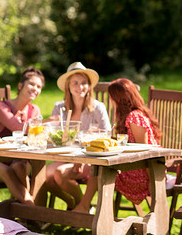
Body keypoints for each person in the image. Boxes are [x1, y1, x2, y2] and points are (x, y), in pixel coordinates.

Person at [73, 78, 161, 213]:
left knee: (99, 170)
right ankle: (89, 208)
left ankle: (90, 209)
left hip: (146, 173)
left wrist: (151, 181)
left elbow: (145, 152)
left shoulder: (134, 117)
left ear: (119, 99)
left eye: (111, 98)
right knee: (98, 167)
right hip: (137, 169)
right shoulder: (131, 116)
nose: (111, 101)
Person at [35, 62, 111, 209]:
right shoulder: (60, 108)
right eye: (75, 83)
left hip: (91, 159)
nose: (79, 87)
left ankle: (82, 206)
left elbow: (107, 136)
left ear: (89, 86)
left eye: (83, 83)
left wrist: (83, 157)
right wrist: (48, 123)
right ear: (68, 86)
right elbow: (50, 137)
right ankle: (75, 204)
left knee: (59, 173)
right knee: (45, 175)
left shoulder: (98, 108)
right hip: (64, 156)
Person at [0, 67, 45, 205]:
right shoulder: (1, 106)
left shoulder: (34, 110)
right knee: (5, 169)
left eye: (39, 86)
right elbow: (17, 127)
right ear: (20, 86)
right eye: (32, 84)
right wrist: (46, 122)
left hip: (21, 159)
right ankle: (32, 213)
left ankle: (25, 216)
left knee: (19, 166)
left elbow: (36, 136)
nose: (35, 88)